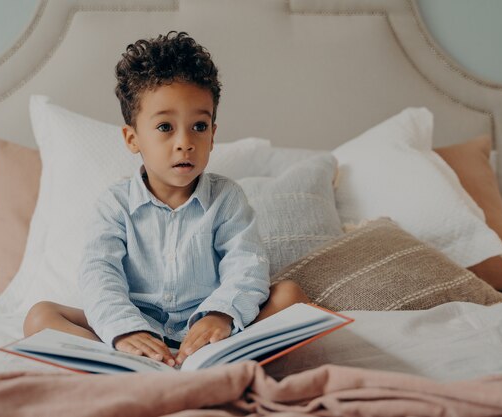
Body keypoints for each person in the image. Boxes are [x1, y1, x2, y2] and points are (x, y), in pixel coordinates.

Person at [23, 31, 309, 367]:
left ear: (213, 135)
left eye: (199, 126)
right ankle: (128, 363)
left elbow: (247, 267)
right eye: (164, 128)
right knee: (39, 317)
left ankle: (208, 361)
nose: (185, 142)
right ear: (132, 138)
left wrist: (220, 315)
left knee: (291, 296)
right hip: (136, 326)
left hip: (209, 332)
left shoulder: (226, 199)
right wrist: (124, 330)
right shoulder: (115, 205)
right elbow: (100, 276)